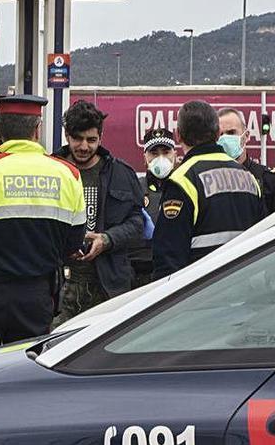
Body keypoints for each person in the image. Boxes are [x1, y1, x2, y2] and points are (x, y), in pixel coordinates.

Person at [0, 95, 85, 356]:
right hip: (37, 297)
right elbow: (73, 243)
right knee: (26, 375)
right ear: (38, 130)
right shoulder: (69, 174)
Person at [54, 100, 143, 326]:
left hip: (107, 287)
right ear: (67, 136)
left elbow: (137, 223)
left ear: (101, 138)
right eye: (78, 139)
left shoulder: (120, 172)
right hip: (59, 288)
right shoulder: (51, 170)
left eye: (91, 140)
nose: (84, 146)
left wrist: (107, 239)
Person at [152, 101, 265, 279]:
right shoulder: (248, 177)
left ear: (178, 135)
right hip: (245, 293)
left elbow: (168, 258)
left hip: (201, 296)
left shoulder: (182, 180)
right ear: (217, 133)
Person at [128, 128, 178, 288]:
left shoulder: (183, 186)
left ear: (175, 155)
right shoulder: (135, 188)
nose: (160, 158)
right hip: (140, 272)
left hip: (174, 269)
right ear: (145, 158)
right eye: (154, 153)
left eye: (166, 152)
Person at [218, 107, 275, 213]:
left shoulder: (267, 179)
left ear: (246, 136)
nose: (225, 139)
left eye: (231, 133)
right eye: (220, 135)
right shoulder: (209, 179)